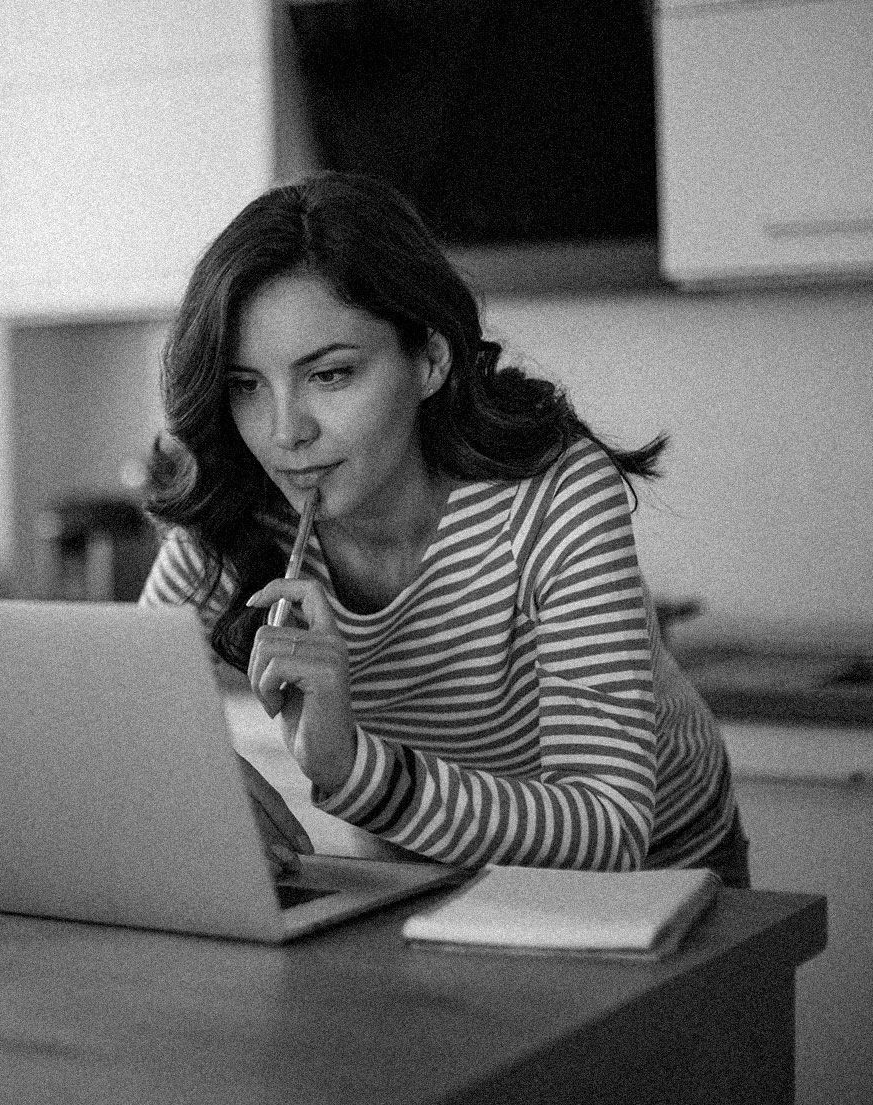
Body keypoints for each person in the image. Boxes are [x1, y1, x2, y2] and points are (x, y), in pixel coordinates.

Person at [139, 171, 749, 887]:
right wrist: (194, 776)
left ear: (430, 359)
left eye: (330, 375)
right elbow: (121, 710)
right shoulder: (236, 507)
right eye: (246, 385)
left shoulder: (554, 493)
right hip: (421, 865)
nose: (285, 433)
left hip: (656, 874)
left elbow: (610, 827)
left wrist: (355, 770)